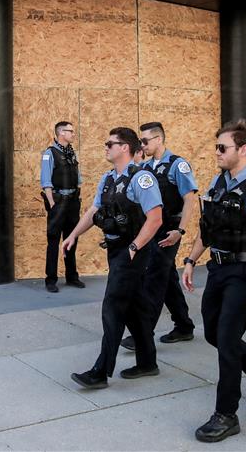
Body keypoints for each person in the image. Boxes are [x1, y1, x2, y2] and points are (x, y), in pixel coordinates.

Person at [182, 120, 246, 443]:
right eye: (216, 147)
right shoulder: (219, 181)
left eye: (222, 148)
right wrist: (190, 260)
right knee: (213, 333)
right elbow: (208, 227)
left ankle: (226, 414)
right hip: (218, 269)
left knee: (227, 340)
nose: (216, 152)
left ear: (242, 150)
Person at [62, 127, 163, 389]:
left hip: (133, 252)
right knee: (134, 307)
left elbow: (155, 219)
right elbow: (94, 210)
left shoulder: (142, 179)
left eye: (111, 143)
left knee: (113, 306)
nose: (106, 147)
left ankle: (100, 371)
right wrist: (73, 235)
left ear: (125, 148)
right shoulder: (108, 178)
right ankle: (147, 362)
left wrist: (134, 247)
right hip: (116, 249)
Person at [121, 122, 197, 352]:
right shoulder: (146, 166)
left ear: (159, 140)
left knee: (153, 279)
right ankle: (184, 325)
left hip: (169, 230)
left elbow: (190, 199)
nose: (142, 145)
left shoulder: (177, 165)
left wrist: (180, 231)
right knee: (167, 277)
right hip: (152, 228)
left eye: (145, 141)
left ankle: (143, 334)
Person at [40, 121, 85, 293]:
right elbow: (46, 182)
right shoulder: (49, 154)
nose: (74, 134)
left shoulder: (71, 153)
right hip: (58, 203)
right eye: (70, 131)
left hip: (72, 202)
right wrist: (52, 204)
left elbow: (78, 178)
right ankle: (50, 280)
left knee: (71, 239)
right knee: (53, 241)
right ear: (61, 133)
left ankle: (72, 277)